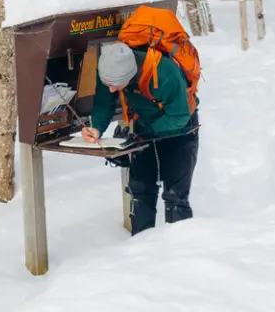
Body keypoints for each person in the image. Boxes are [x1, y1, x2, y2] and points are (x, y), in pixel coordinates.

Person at [82, 40, 198, 234]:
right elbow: (104, 103)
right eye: (107, 84)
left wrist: (145, 133)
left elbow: (180, 116)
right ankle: (140, 253)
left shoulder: (165, 73)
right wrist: (96, 128)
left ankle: (181, 251)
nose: (111, 89)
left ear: (131, 74)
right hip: (143, 127)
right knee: (140, 191)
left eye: (116, 86)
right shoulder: (108, 71)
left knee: (175, 196)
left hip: (180, 129)